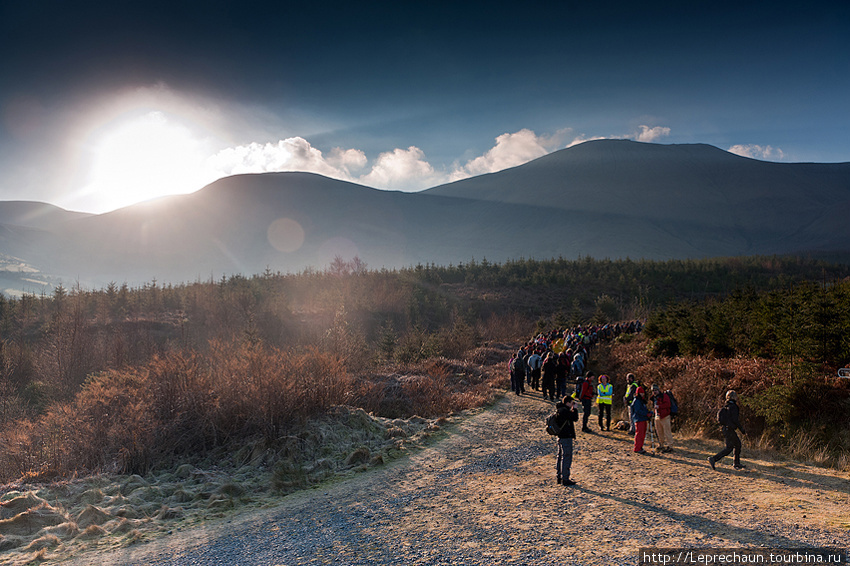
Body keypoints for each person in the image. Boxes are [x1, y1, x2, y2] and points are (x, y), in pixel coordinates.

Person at [708, 390, 747, 470]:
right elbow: (735, 420)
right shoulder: (734, 407)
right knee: (730, 447)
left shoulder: (726, 406)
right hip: (730, 429)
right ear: (734, 397)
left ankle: (737, 463)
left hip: (725, 429)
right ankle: (714, 459)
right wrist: (741, 429)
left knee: (737, 445)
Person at [553, 395, 580, 486]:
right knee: (567, 457)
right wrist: (575, 409)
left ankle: (559, 476)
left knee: (560, 456)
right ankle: (565, 478)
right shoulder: (564, 411)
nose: (572, 404)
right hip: (566, 436)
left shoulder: (560, 410)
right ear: (567, 403)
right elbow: (575, 418)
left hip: (560, 436)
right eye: (571, 403)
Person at [650, 384, 673, 452]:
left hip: (665, 416)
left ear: (658, 390)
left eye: (656, 390)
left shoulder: (664, 396)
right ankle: (661, 444)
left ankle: (670, 446)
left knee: (667, 432)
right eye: (653, 390)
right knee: (659, 432)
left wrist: (659, 406)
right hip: (657, 416)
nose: (654, 392)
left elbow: (668, 404)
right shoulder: (653, 398)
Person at [630, 386, 652, 454]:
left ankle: (640, 446)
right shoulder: (637, 401)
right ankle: (637, 448)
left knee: (642, 434)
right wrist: (646, 414)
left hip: (642, 419)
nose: (642, 394)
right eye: (641, 393)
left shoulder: (641, 401)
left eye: (643, 393)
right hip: (639, 419)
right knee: (639, 434)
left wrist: (648, 412)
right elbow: (638, 411)